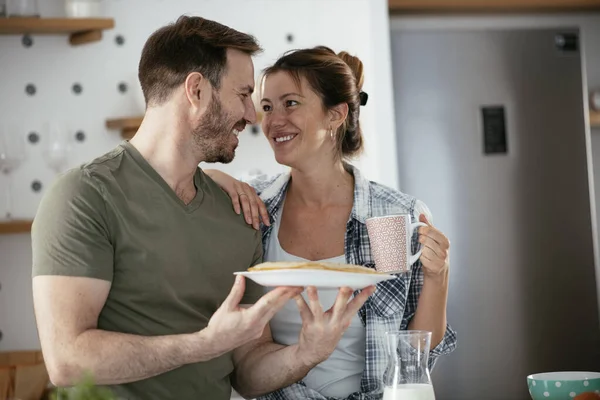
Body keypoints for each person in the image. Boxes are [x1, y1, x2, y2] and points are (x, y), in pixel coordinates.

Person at [31, 17, 374, 400]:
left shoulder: (240, 211)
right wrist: (203, 344)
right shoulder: (85, 195)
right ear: (196, 90)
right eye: (243, 95)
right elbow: (66, 360)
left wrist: (306, 354)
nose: (251, 115)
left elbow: (248, 368)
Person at [205, 46, 458, 399]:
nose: (273, 121)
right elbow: (245, 371)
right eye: (266, 107)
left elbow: (415, 354)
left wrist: (437, 275)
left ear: (336, 114)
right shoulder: (253, 210)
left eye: (290, 103)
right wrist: (210, 177)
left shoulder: (391, 215)